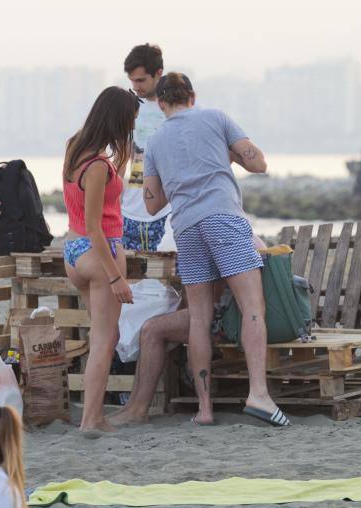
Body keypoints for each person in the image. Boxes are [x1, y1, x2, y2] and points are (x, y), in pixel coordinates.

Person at [143, 73, 290, 427]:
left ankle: (204, 410)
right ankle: (258, 394)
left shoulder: (155, 141)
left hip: (187, 228)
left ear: (161, 103)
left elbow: (152, 204)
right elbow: (259, 163)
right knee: (252, 307)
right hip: (223, 218)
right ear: (192, 96)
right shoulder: (216, 117)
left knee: (198, 318)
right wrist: (226, 156)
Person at [109, 234, 267, 426]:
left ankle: (138, 409)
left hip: (226, 320)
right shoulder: (239, 231)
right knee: (157, 324)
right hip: (243, 316)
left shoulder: (208, 236)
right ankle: (133, 406)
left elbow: (205, 303)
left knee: (152, 329)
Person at [62, 86, 139, 432]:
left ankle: (92, 415)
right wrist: (115, 278)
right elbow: (96, 226)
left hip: (73, 250)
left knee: (100, 336)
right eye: (130, 121)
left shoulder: (76, 146)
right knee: (104, 339)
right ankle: (92, 419)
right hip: (99, 250)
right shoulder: (97, 166)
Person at [121, 43, 171, 252]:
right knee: (130, 281)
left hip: (167, 211)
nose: (135, 86)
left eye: (141, 80)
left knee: (172, 281)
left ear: (158, 73)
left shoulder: (175, 108)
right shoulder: (127, 108)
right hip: (128, 211)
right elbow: (121, 158)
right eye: (132, 80)